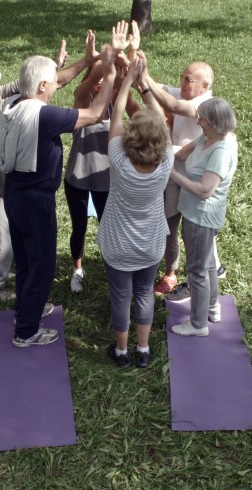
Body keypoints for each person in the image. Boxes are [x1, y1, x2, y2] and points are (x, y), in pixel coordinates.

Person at [0, 23, 127, 348]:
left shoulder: (12, 101)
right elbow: (95, 113)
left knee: (26, 259)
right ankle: (26, 331)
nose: (58, 84)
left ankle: (26, 309)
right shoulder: (44, 115)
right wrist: (110, 71)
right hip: (36, 199)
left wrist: (87, 61)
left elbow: (62, 79)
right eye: (53, 82)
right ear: (43, 85)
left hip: (13, 194)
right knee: (42, 264)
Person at [0, 35, 101, 301]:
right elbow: (29, 96)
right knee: (3, 233)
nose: (1, 87)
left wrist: (60, 67)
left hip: (6, 178)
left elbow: (34, 85)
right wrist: (57, 75)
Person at [97, 54, 173, 368]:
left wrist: (126, 80)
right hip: (150, 243)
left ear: (131, 137)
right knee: (143, 293)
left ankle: (122, 352)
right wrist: (144, 85)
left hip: (117, 244)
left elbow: (116, 115)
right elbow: (162, 122)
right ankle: (143, 350)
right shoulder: (166, 161)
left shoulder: (118, 159)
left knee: (120, 296)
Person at [63, 22, 142, 294]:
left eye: (103, 81)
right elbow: (83, 88)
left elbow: (126, 85)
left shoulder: (116, 105)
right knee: (79, 226)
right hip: (77, 178)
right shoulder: (83, 103)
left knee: (109, 227)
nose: (99, 85)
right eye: (96, 80)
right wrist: (102, 62)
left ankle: (112, 267)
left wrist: (128, 54)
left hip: (106, 181)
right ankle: (77, 269)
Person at [139, 58, 225, 298]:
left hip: (194, 179)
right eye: (182, 77)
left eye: (188, 80)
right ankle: (173, 274)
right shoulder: (185, 93)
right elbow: (158, 89)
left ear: (204, 86)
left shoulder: (204, 105)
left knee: (195, 232)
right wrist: (134, 66)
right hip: (175, 173)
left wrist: (144, 81)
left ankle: (206, 276)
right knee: (171, 226)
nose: (183, 83)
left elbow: (172, 105)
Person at [167, 98, 238, 337]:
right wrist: (161, 150)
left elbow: (205, 190)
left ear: (214, 122)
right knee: (207, 265)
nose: (197, 121)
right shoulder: (207, 138)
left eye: (202, 118)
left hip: (202, 217)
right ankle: (212, 307)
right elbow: (181, 154)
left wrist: (174, 175)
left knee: (196, 271)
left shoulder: (221, 151)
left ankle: (198, 324)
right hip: (195, 213)